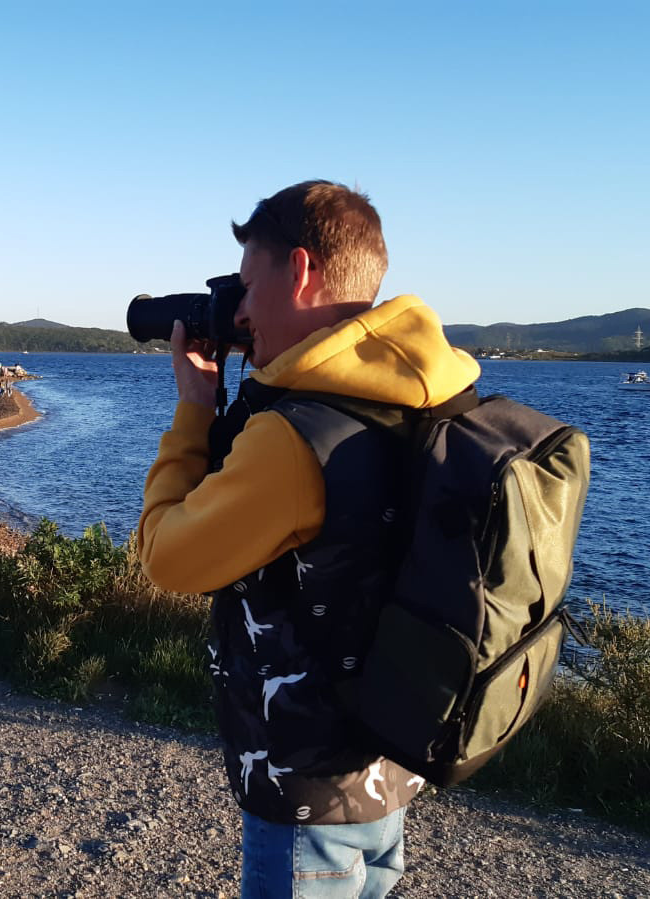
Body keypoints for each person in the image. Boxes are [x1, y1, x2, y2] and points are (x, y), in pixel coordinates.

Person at [137, 181, 480, 898]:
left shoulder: (293, 437)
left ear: (299, 271)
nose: (237, 310)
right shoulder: (426, 393)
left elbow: (164, 556)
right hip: (384, 768)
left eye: (248, 283)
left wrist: (193, 412)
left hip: (306, 790)